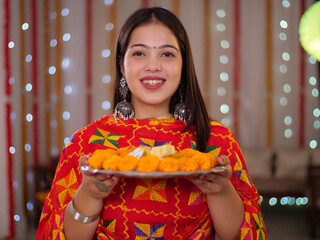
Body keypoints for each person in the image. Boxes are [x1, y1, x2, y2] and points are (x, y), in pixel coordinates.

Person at [36, 7, 267, 240]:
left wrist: (221, 189)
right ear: (121, 65)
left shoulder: (214, 139)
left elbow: (246, 235)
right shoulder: (86, 143)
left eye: (167, 54)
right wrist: (89, 194)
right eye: (139, 53)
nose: (153, 66)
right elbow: (55, 236)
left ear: (183, 65)